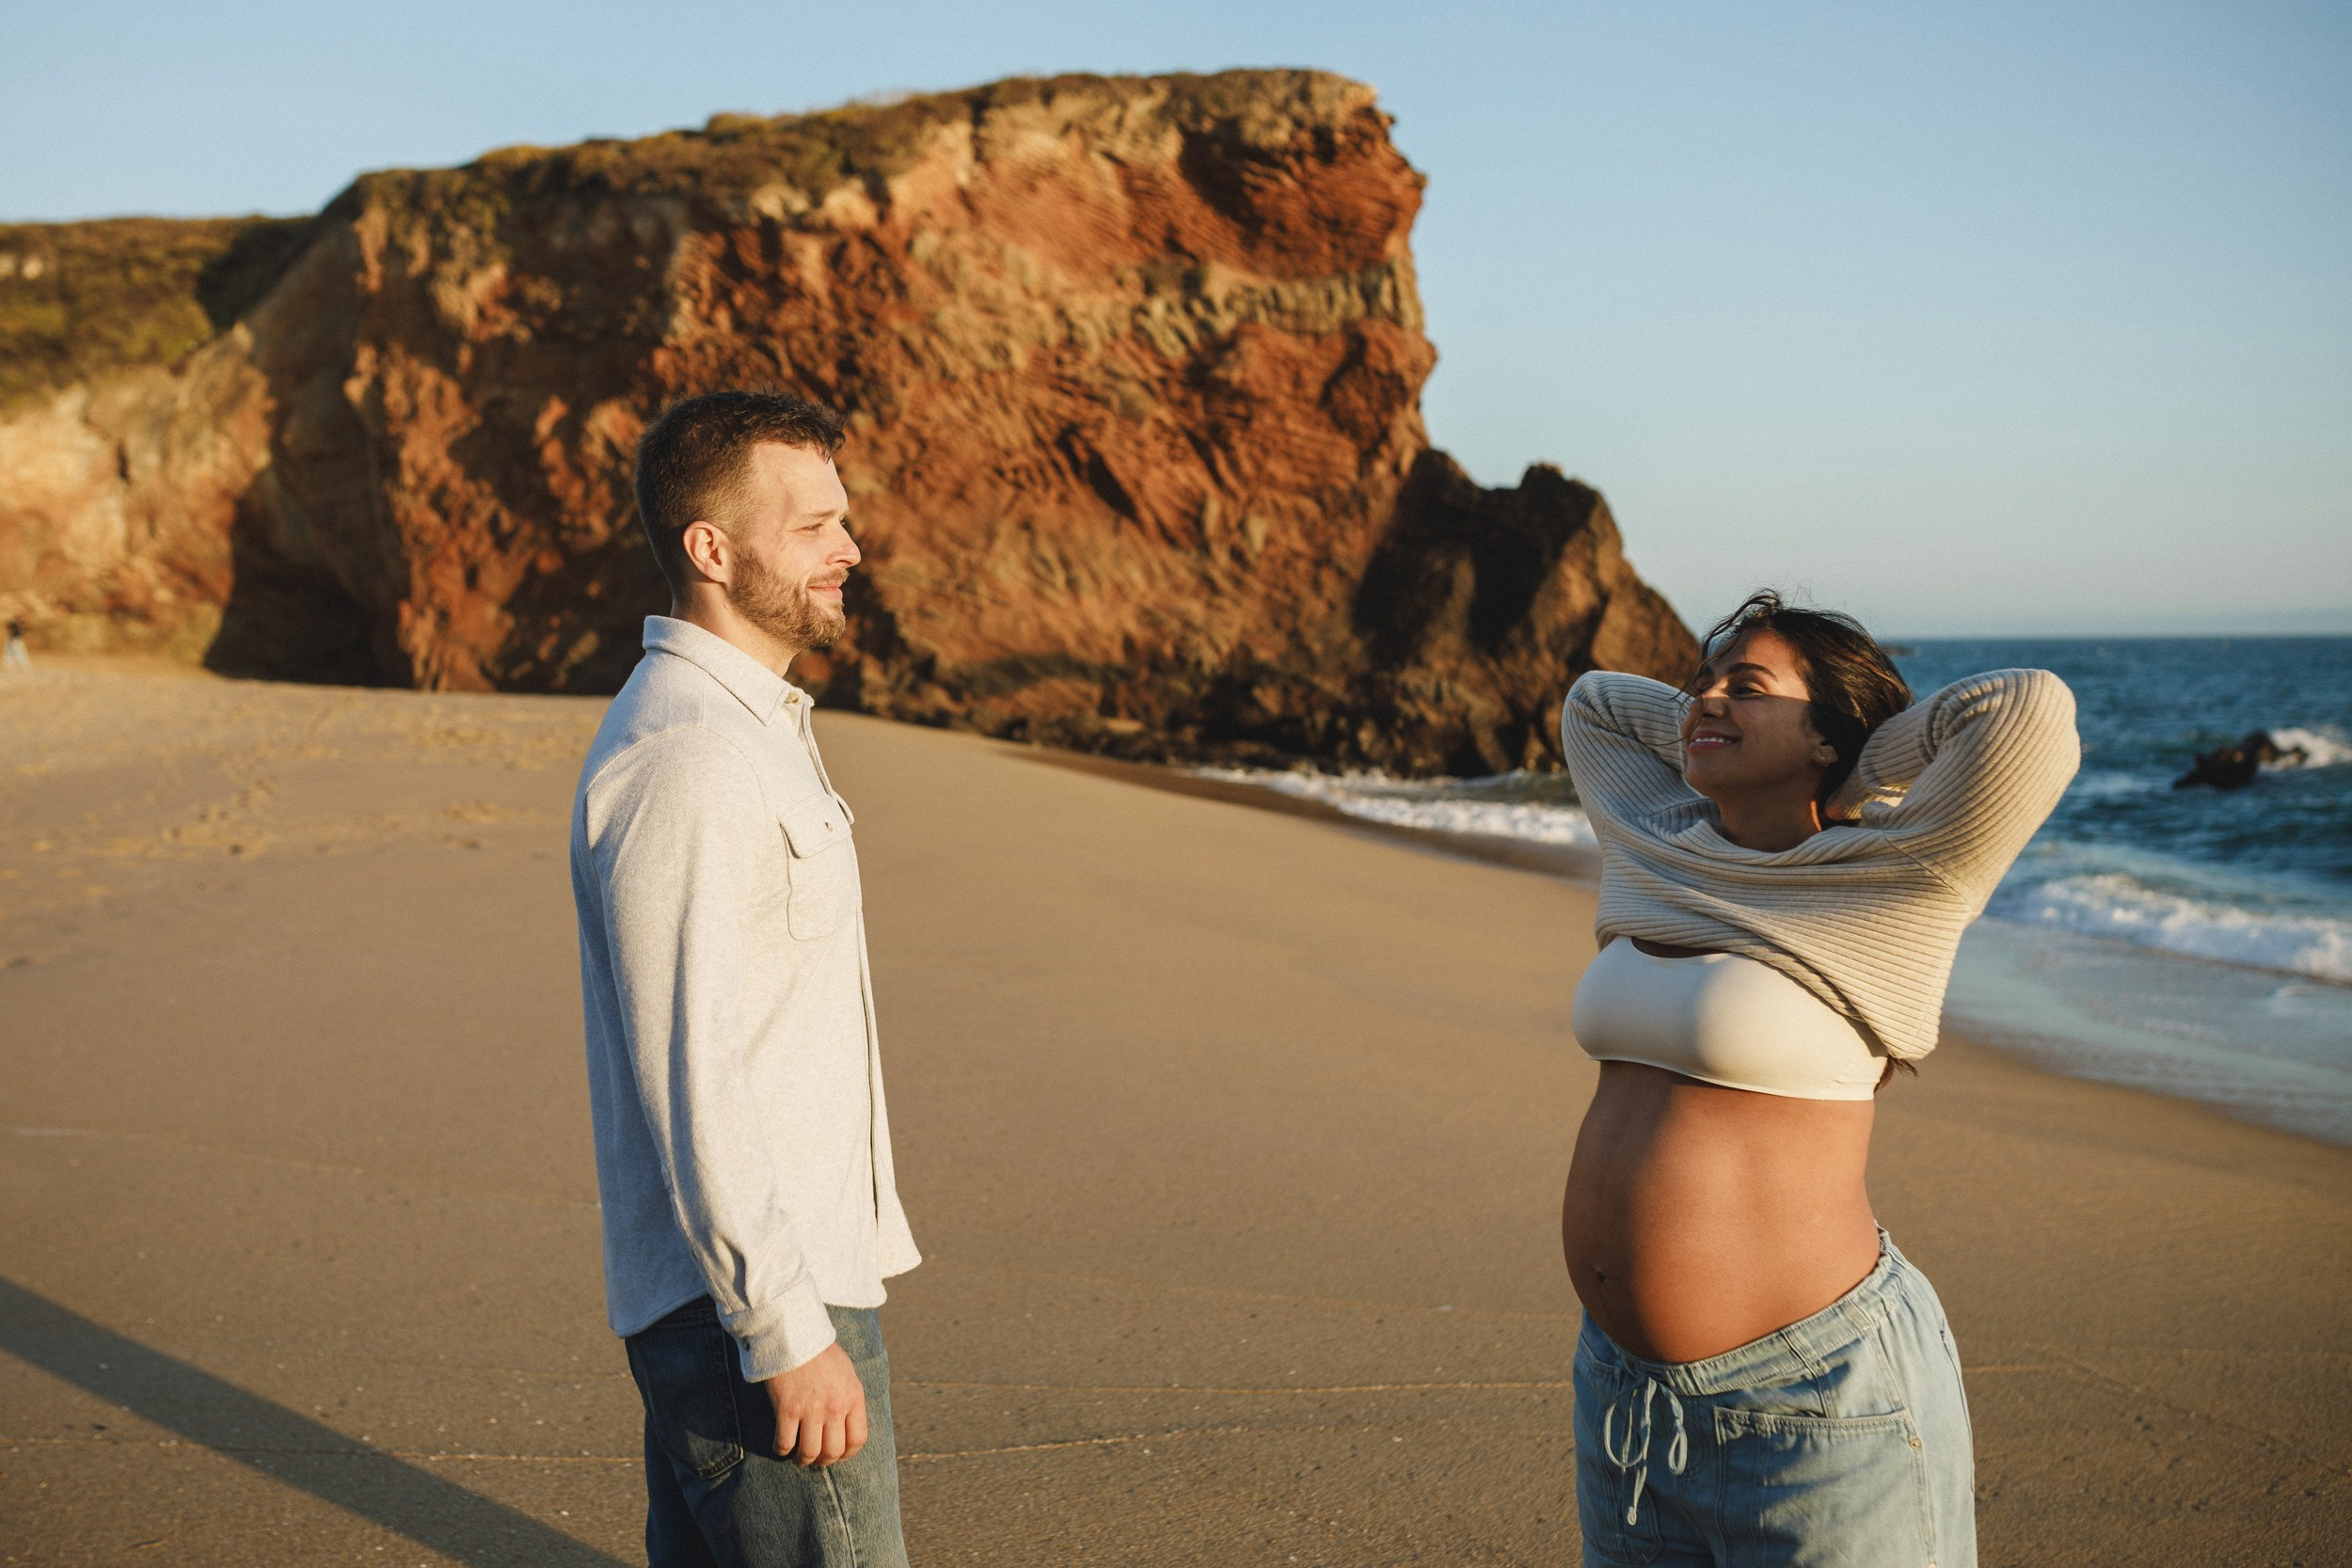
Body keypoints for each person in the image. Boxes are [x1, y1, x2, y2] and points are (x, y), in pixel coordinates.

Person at [1557, 592, 2077, 1568]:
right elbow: (1593, 704)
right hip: (1627, 1397)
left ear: (1825, 735)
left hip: (1813, 1401)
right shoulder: (1656, 842)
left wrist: (1860, 751)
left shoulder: (1901, 878)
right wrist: (1722, 717)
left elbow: (2028, 708)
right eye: (1700, 681)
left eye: (1743, 685)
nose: (1702, 698)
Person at [571, 391, 921, 1568]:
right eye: (814, 525)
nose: (850, 549)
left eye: (844, 520)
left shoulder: (748, 726)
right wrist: (783, 1329)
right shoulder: (687, 757)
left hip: (761, 1289)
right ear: (710, 550)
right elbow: (693, 1072)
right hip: (755, 1308)